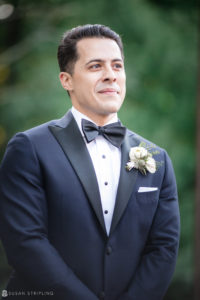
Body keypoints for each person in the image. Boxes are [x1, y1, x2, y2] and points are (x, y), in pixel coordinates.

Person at [0, 24, 180, 300]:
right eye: (96, 66)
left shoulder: (156, 157)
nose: (110, 75)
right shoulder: (29, 148)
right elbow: (25, 243)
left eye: (117, 66)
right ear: (66, 80)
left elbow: (164, 248)